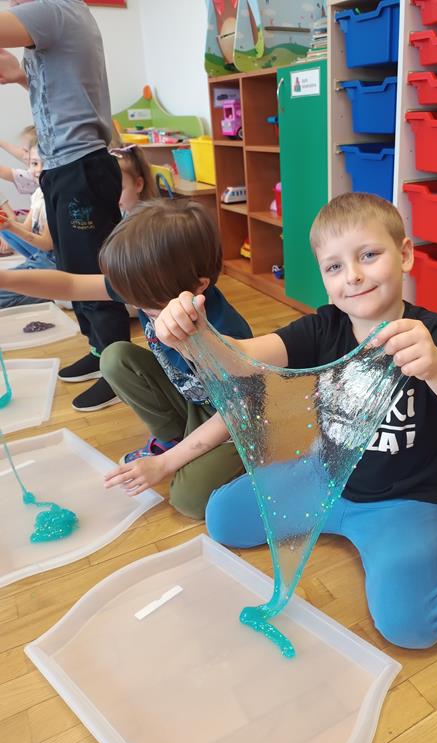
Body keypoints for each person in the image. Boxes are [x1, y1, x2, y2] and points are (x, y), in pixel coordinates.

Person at [154, 192, 437, 649]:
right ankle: (344, 519)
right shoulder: (323, 327)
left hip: (405, 501)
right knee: (221, 518)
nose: (353, 275)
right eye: (334, 266)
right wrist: (194, 336)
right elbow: (242, 360)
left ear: (405, 255)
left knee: (412, 628)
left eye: (369, 255)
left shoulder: (435, 335)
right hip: (324, 478)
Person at [0, 199, 252, 518]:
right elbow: (70, 284)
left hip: (238, 422)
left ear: (198, 286)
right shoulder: (148, 285)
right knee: (115, 357)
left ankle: (254, 470)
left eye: (143, 301)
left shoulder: (227, 334)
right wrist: (5, 280)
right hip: (196, 401)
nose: (132, 303)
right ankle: (172, 438)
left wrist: (165, 465)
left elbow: (233, 416)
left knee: (187, 499)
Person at [0, 0, 131, 411]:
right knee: (73, 268)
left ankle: (120, 369)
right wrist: (21, 76)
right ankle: (100, 350)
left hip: (80, 166)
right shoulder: (54, 17)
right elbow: (63, 93)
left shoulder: (54, 9)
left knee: (91, 272)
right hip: (61, 167)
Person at [0, 142, 56, 307]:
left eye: (43, 163)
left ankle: (54, 293)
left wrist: (10, 225)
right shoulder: (39, 193)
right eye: (34, 163)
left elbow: (46, 244)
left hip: (53, 261)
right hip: (41, 256)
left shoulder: (54, 197)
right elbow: (26, 227)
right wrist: (7, 225)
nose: (38, 169)